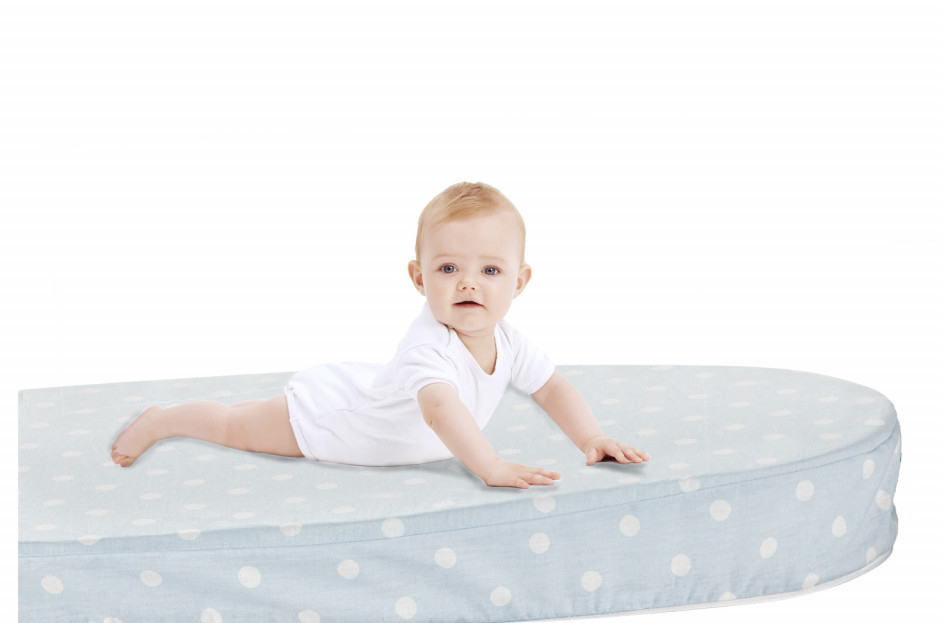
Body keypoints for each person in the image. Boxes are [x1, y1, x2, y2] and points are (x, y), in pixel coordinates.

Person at [110, 181, 651, 489]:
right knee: (234, 425)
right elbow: (441, 411)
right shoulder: (428, 349)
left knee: (243, 418)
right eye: (448, 268)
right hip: (333, 422)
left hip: (374, 397)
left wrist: (590, 438)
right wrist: (489, 466)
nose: (468, 282)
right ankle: (162, 421)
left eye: (490, 270)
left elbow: (551, 387)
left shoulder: (510, 341)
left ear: (520, 281)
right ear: (419, 278)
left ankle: (164, 419)